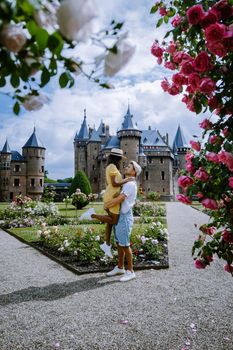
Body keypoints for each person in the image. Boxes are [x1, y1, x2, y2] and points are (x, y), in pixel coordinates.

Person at [81, 148, 133, 258]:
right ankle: (91, 214)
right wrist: (126, 180)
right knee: (114, 220)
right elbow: (114, 183)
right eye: (120, 158)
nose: (120, 161)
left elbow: (110, 183)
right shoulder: (112, 167)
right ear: (117, 158)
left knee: (109, 222)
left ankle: (107, 244)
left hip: (111, 194)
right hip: (112, 196)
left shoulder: (110, 167)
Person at [104, 160, 142, 282]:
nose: (126, 167)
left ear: (134, 171)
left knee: (125, 245)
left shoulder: (131, 184)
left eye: (129, 166)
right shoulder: (127, 183)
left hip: (125, 216)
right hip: (120, 216)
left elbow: (119, 199)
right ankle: (120, 267)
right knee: (119, 243)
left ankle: (130, 271)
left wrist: (106, 205)